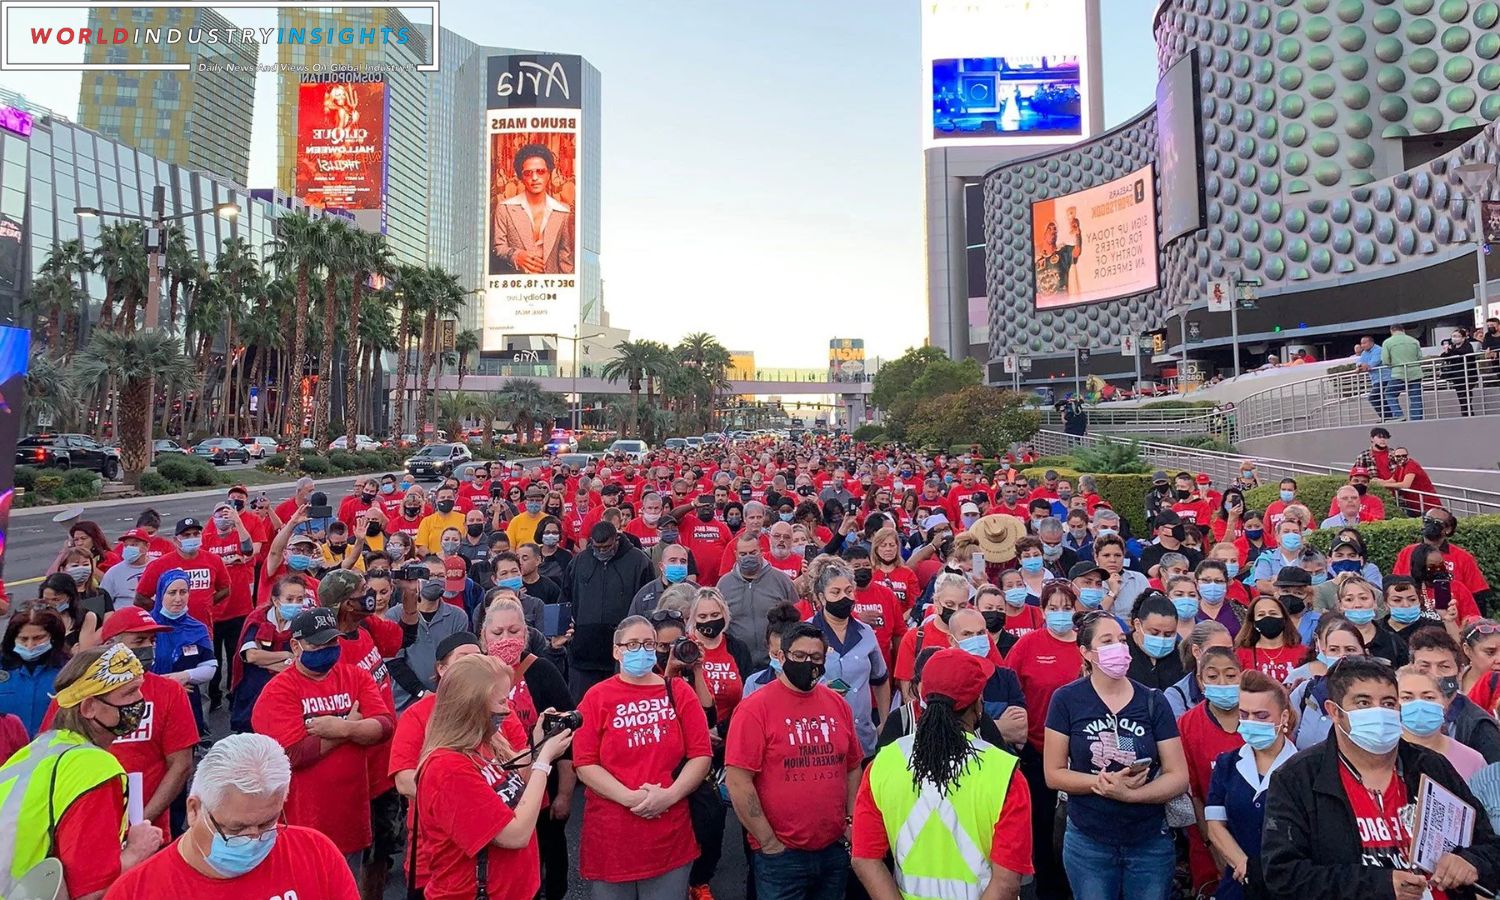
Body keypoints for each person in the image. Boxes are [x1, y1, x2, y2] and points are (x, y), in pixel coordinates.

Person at [1261, 656, 1500, 897]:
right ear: (1334, 711)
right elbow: (1284, 875)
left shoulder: (1431, 766)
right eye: (1363, 703)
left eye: (1388, 703)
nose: (1379, 712)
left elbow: (1490, 846)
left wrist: (1470, 862)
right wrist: (1378, 886)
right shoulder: (1298, 778)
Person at [852, 648, 1033, 900]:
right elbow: (1007, 881)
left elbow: (865, 859)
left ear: (922, 695)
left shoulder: (883, 764)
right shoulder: (1004, 773)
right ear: (978, 703)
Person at [103, 733, 360, 898]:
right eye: (235, 830)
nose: (253, 839)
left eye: (267, 823)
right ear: (194, 810)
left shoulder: (316, 853)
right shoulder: (137, 892)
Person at [1044, 610, 1189, 898]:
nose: (1119, 647)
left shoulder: (1153, 701)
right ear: (1086, 652)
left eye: (1122, 640)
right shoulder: (1066, 700)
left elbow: (1178, 775)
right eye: (1107, 640)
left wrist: (1131, 795)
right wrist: (1103, 784)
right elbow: (1053, 773)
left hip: (1149, 840)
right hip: (1089, 841)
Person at [0, 645, 164, 899]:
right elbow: (90, 892)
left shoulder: (38, 750)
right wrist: (137, 851)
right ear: (88, 708)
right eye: (129, 692)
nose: (140, 700)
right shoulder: (95, 768)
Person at [412, 654, 575, 900]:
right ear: (473, 705)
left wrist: (539, 744)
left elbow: (514, 783)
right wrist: (543, 761)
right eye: (501, 701)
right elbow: (515, 834)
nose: (507, 710)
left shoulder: (481, 743)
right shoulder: (446, 769)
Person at [572, 615, 712, 899]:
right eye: (632, 644)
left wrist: (670, 796)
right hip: (613, 838)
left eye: (648, 644)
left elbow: (701, 754)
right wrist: (629, 798)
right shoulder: (597, 697)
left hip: (669, 835)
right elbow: (584, 763)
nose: (642, 650)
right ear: (616, 651)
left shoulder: (678, 691)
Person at [725, 620, 864, 900]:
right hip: (781, 856)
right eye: (799, 656)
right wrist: (767, 840)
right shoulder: (754, 709)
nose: (808, 664)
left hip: (832, 849)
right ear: (780, 656)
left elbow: (852, 766)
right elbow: (739, 780)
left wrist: (850, 823)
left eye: (816, 658)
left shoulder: (837, 704)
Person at [250, 607, 395, 868]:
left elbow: (384, 727)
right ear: (296, 646)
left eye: (332, 641)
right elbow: (294, 754)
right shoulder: (278, 691)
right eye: (318, 644)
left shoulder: (355, 676)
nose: (328, 649)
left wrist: (341, 729)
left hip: (351, 817)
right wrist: (351, 727)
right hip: (303, 822)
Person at [44, 607, 198, 838]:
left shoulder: (169, 691)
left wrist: (141, 821)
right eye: (139, 640)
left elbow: (180, 764)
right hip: (84, 826)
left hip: (148, 829)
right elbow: (50, 753)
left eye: (152, 640)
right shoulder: (76, 693)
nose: (148, 647)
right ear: (111, 644)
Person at [480, 598, 579, 900]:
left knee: (550, 849)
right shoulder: (474, 675)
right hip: (491, 787)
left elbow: (568, 739)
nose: (506, 639)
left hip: (542, 784)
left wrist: (564, 794)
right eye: (497, 633)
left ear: (525, 634)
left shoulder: (542, 672)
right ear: (483, 635)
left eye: (513, 631)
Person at [1201, 670, 1297, 900]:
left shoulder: (1303, 769)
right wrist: (1244, 865)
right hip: (1237, 885)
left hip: (1289, 887)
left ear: (1283, 717)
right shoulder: (1227, 763)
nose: (1251, 722)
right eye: (1244, 714)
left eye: (1261, 715)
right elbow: (1215, 825)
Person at [566, 522, 657, 701]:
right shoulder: (580, 560)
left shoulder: (639, 561)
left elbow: (648, 602)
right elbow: (566, 596)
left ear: (616, 539)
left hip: (624, 650)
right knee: (583, 706)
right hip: (584, 651)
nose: (601, 552)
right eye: (597, 547)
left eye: (606, 547)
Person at [229, 575, 313, 734]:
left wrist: (264, 661)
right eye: (289, 599)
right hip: (253, 690)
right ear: (276, 600)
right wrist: (286, 655)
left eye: (300, 599)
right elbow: (251, 656)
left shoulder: (305, 623)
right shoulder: (258, 619)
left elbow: (299, 664)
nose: (295, 604)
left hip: (287, 693)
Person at [1407, 628, 1500, 764]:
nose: (1434, 675)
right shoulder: (1396, 711)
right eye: (1424, 667)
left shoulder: (1480, 726)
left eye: (1444, 667)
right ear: (1411, 668)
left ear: (1460, 671)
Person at [719, 532, 799, 670]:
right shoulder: (724, 585)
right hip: (738, 664)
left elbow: (798, 617)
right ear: (736, 554)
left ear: (761, 552)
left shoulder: (781, 580)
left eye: (753, 552)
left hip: (775, 663)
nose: (748, 557)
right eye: (743, 554)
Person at [492, 142, 574, 275]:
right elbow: (498, 248)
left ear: (549, 174)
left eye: (540, 171)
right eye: (528, 173)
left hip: (551, 290)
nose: (534, 178)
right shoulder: (504, 208)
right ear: (521, 177)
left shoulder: (563, 211)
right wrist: (516, 256)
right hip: (514, 290)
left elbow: (565, 258)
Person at [1397, 665, 1486, 780]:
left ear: (1445, 702)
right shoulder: (1385, 758)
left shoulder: (1473, 761)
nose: (1419, 705)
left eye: (1429, 697)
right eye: (1407, 698)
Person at [0, 609, 68, 736]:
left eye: (38, 638)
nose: (30, 645)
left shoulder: (68, 669)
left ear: (53, 637)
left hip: (51, 749)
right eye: (23, 639)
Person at [1235, 594, 1303, 683]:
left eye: (1273, 613)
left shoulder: (1304, 653)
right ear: (1253, 622)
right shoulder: (1241, 654)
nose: (1267, 617)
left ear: (1284, 618)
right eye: (1261, 614)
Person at [1126, 591, 1186, 689]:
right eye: (1154, 633)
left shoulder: (1182, 655)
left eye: (1168, 634)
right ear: (1137, 625)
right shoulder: (1121, 651)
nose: (1161, 639)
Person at [1380, 322, 1425, 421]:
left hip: (1398, 373)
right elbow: (1420, 358)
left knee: (1389, 393)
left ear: (1392, 331)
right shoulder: (1414, 341)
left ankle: (1398, 415)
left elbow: (1385, 361)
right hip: (1415, 372)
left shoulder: (1388, 342)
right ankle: (1417, 419)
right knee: (1415, 397)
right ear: (1403, 330)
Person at [1356, 334, 1396, 420]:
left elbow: (1373, 363)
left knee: (1373, 397)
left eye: (1364, 343)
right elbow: (1359, 363)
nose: (1362, 345)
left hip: (1385, 378)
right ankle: (1387, 418)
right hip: (1376, 380)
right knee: (1381, 398)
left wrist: (1363, 367)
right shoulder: (1364, 353)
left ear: (1371, 342)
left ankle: (1387, 417)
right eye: (1361, 343)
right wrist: (1360, 366)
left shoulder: (1378, 350)